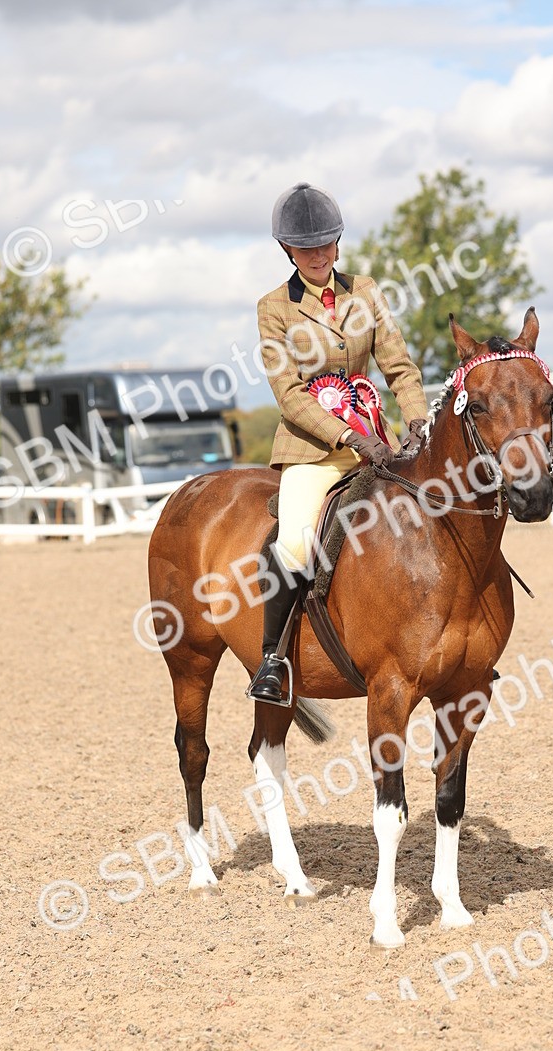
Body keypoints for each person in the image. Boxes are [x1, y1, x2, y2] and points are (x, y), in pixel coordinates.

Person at [246, 182, 430, 705]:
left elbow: (399, 365)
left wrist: (414, 419)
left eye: (326, 243)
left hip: (379, 439)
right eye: (306, 248)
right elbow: (289, 394)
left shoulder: (365, 293)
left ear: (338, 242)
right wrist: (347, 434)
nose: (318, 254)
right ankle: (273, 661)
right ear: (288, 251)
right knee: (298, 541)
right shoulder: (274, 309)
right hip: (312, 451)